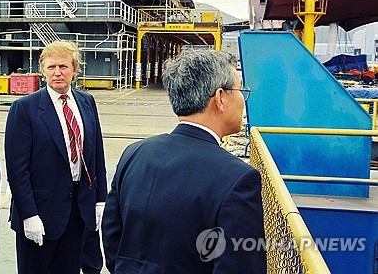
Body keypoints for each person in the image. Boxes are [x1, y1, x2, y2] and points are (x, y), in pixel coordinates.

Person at [102, 50, 266, 273]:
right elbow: (240, 266)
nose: (243, 99)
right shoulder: (237, 178)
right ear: (220, 98)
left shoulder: (134, 153)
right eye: (240, 90)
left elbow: (112, 237)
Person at [5, 40, 108, 274]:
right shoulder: (25, 109)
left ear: (75, 70)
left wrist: (100, 199)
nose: (57, 72)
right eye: (51, 67)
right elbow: (17, 170)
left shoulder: (86, 102)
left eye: (63, 66)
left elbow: (96, 154)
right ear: (42, 70)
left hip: (77, 210)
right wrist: (29, 215)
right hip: (40, 213)